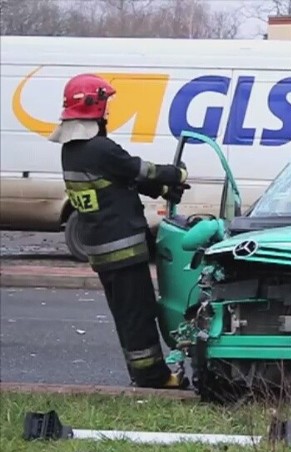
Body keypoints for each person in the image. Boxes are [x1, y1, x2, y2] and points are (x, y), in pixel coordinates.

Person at [48, 73, 191, 388]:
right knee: (137, 313)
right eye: (105, 104)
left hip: (102, 251)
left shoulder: (72, 149)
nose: (108, 111)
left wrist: (160, 189)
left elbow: (121, 182)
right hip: (123, 249)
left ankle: (140, 371)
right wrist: (175, 174)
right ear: (94, 106)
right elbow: (139, 170)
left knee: (126, 314)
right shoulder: (100, 148)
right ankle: (154, 377)